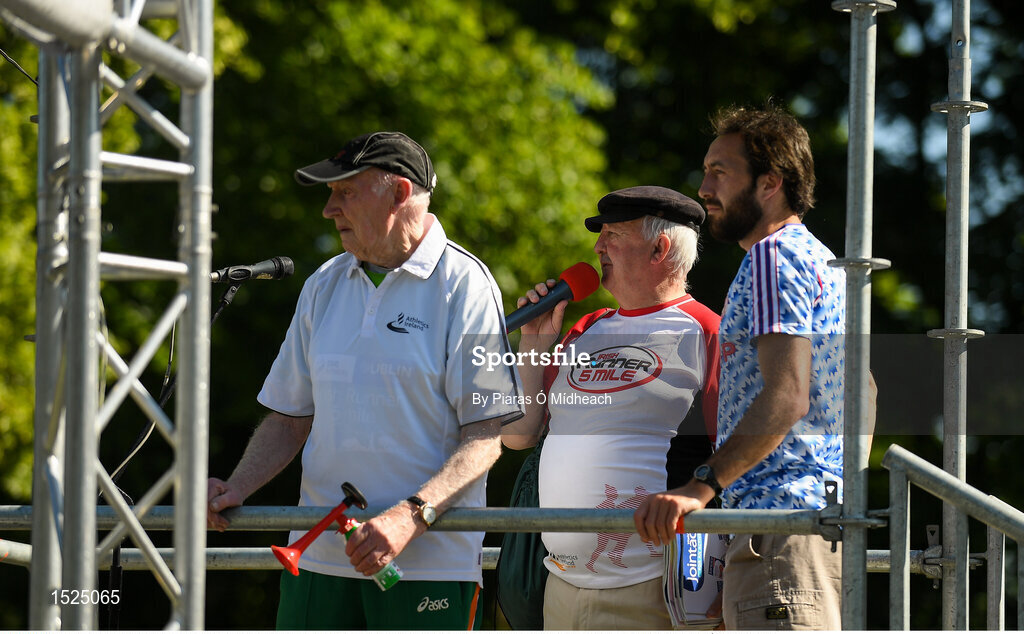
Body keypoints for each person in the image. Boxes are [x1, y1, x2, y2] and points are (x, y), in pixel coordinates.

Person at [206, 131, 525, 630]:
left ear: (399, 193)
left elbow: (486, 438)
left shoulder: (465, 284)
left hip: (426, 571)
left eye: (346, 192)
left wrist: (408, 518)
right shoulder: (323, 282)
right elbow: (290, 419)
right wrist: (234, 488)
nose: (328, 210)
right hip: (314, 560)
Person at [635, 105, 875, 630]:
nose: (703, 187)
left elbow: (788, 396)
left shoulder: (771, 257)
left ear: (771, 183)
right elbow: (867, 394)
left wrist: (699, 487)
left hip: (780, 534)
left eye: (720, 171)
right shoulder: (821, 260)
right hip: (803, 532)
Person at [502, 186, 721, 630]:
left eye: (613, 235)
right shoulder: (586, 326)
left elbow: (736, 452)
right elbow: (519, 435)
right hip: (560, 586)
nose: (598, 247)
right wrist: (534, 343)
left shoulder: (707, 330)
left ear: (659, 247)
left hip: (656, 589)